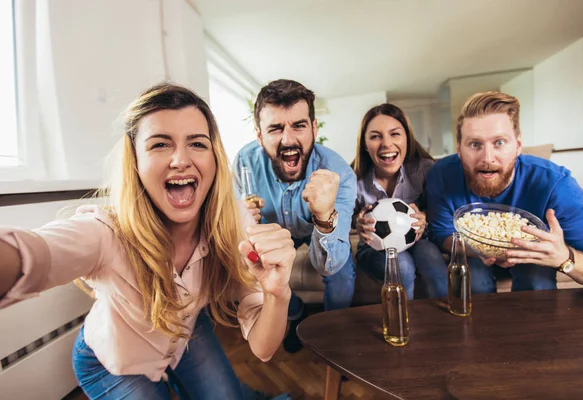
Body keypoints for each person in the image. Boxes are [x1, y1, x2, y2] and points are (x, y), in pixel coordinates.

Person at [0, 83, 296, 400]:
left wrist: (277, 292)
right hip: (111, 360)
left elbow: (264, 351)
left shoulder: (235, 224)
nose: (181, 160)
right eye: (159, 145)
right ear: (136, 162)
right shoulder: (105, 232)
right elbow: (33, 254)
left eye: (197, 143)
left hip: (186, 332)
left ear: (214, 158)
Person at [426, 91, 583, 294]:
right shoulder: (441, 175)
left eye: (499, 142)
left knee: (536, 277)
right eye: (475, 144)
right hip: (473, 255)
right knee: (474, 278)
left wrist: (564, 258)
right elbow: (441, 233)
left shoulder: (557, 186)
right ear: (459, 148)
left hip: (534, 258)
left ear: (518, 145)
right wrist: (482, 248)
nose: (487, 158)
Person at [233, 79, 357, 353]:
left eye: (299, 126)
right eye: (275, 129)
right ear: (259, 136)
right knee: (260, 266)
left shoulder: (341, 174)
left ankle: (333, 331)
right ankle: (295, 313)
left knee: (342, 273)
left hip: (314, 232)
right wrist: (241, 216)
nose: (288, 140)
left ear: (314, 128)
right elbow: (234, 215)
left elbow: (330, 264)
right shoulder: (244, 162)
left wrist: (324, 217)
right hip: (273, 231)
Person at [352, 103, 448, 299]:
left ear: (407, 138)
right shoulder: (353, 178)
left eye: (395, 134)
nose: (386, 144)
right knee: (401, 264)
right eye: (375, 136)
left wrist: (425, 217)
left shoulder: (425, 169)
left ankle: (446, 321)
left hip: (419, 240)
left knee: (430, 256)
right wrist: (357, 222)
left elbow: (442, 208)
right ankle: (404, 324)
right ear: (364, 144)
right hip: (374, 247)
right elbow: (340, 217)